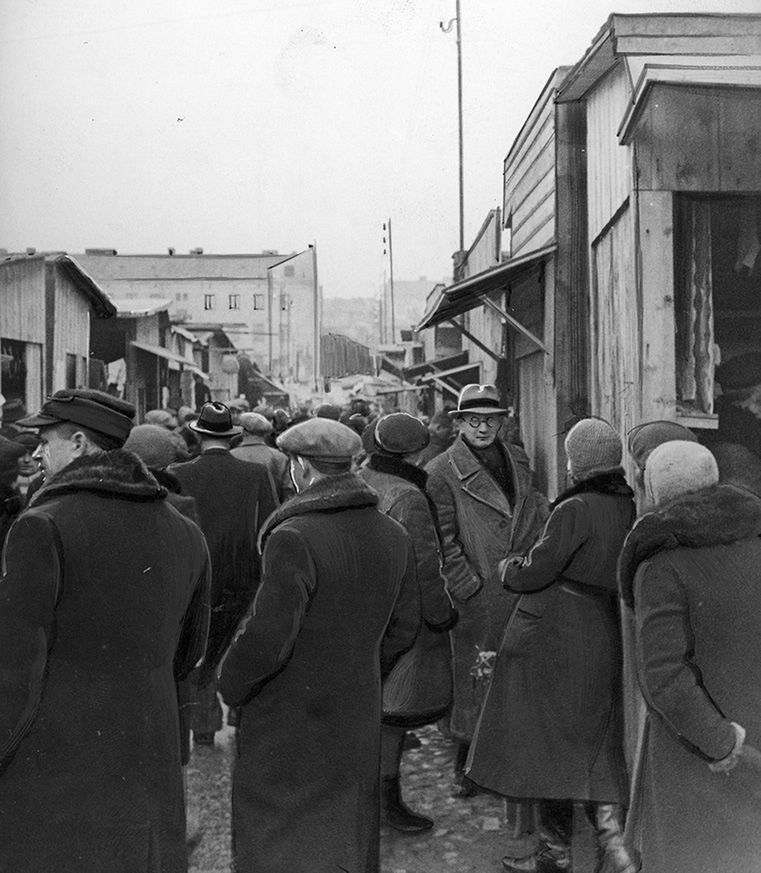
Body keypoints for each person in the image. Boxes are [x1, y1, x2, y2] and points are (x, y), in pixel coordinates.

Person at [0, 389, 210, 873]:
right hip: (150, 761)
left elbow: (13, 667)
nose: (35, 453)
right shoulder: (185, 530)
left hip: (59, 769)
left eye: (45, 440)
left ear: (77, 443)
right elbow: (189, 653)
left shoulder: (41, 525)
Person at [218, 418, 421, 873]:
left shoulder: (293, 535)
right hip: (356, 705)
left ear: (300, 468)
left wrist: (231, 684)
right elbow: (405, 627)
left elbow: (268, 636)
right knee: (346, 828)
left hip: (288, 712)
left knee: (281, 834)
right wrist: (365, 669)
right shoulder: (394, 534)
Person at [468, 418, 637, 873]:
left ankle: (555, 855)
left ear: (576, 463)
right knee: (595, 742)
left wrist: (508, 567)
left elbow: (535, 571)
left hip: (557, 634)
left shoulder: (574, 508)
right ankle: (616, 850)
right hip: (603, 630)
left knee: (547, 745)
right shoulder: (629, 505)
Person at [618, 440, 761, 872]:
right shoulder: (754, 536)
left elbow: (663, 675)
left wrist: (721, 744)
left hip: (697, 750)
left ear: (654, 493)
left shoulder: (659, 563)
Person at [425, 383, 548, 795]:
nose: (482, 427)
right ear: (458, 423)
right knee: (476, 676)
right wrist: (466, 584)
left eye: (490, 419)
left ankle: (507, 759)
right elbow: (442, 538)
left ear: (501, 421)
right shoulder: (442, 470)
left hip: (519, 583)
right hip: (479, 593)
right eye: (473, 420)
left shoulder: (517, 458)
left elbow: (530, 507)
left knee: (512, 673)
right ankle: (469, 764)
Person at [359, 412, 458, 833]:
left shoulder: (361, 479)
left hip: (359, 612)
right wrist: (440, 615)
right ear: (416, 452)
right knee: (393, 714)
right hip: (400, 618)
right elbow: (423, 563)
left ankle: (363, 803)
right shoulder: (409, 496)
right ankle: (385, 803)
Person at [168, 401, 278, 747]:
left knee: (200, 647)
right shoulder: (255, 475)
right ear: (232, 438)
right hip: (243, 572)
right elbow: (270, 523)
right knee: (237, 642)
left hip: (196, 571)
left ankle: (203, 723)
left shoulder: (178, 473)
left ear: (198, 436)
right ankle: (239, 713)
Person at [232, 412, 294, 501]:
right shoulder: (279, 457)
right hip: (272, 510)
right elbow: (288, 491)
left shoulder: (232, 455)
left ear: (243, 431)